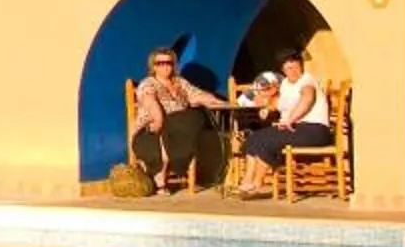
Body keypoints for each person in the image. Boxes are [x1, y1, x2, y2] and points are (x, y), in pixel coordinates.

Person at [131, 48, 233, 192]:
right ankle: (162, 174)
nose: (165, 66)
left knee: (198, 117)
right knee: (192, 117)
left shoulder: (179, 82)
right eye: (160, 63)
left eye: (169, 62)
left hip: (179, 129)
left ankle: (192, 172)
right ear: (153, 66)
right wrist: (159, 118)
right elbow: (150, 102)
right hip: (151, 130)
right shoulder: (148, 83)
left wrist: (219, 103)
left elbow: (197, 95)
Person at [240, 50, 331, 196]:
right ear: (282, 70)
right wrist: (268, 108)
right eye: (288, 68)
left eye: (295, 67)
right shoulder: (286, 85)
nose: (293, 71)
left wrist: (290, 120)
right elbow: (280, 103)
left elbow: (307, 99)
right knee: (254, 138)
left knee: (266, 141)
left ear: (301, 67)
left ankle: (257, 185)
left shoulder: (307, 81)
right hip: (295, 128)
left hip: (314, 130)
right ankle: (247, 181)